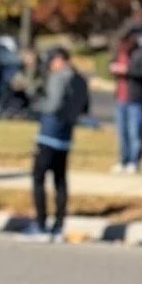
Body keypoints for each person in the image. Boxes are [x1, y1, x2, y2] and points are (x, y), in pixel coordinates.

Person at [26, 47, 89, 242]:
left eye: (52, 61)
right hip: (66, 135)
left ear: (60, 60)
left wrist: (37, 105)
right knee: (60, 180)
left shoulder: (59, 78)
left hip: (49, 133)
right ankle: (59, 225)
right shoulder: (80, 80)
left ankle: (40, 224)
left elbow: (52, 105)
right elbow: (85, 106)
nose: (51, 65)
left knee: (38, 178)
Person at [110, 28, 142, 174]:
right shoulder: (121, 54)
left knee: (134, 132)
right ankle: (123, 160)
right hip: (121, 97)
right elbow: (112, 65)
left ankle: (134, 161)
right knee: (122, 132)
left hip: (136, 98)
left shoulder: (141, 54)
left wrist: (128, 70)